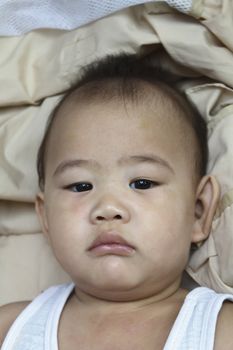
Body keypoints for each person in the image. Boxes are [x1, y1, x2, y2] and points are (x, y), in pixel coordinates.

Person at [0, 54, 233, 350]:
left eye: (142, 183)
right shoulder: (10, 327)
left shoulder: (221, 330)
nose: (108, 209)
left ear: (198, 211)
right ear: (45, 217)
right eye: (80, 185)